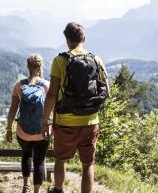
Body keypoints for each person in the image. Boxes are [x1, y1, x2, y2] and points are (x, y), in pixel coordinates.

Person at [41, 22, 109, 193]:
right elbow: (107, 89)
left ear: (67, 40)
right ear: (83, 38)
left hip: (66, 121)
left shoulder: (60, 60)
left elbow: (52, 94)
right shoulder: (96, 59)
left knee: (60, 159)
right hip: (91, 121)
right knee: (88, 164)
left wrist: (45, 120)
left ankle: (58, 189)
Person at [6, 54, 50, 193]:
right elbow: (53, 109)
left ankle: (26, 185)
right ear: (40, 66)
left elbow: (13, 109)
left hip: (23, 132)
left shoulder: (18, 86)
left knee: (26, 155)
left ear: (28, 66)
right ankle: (36, 191)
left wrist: (8, 128)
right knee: (39, 161)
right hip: (42, 132)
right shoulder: (47, 85)